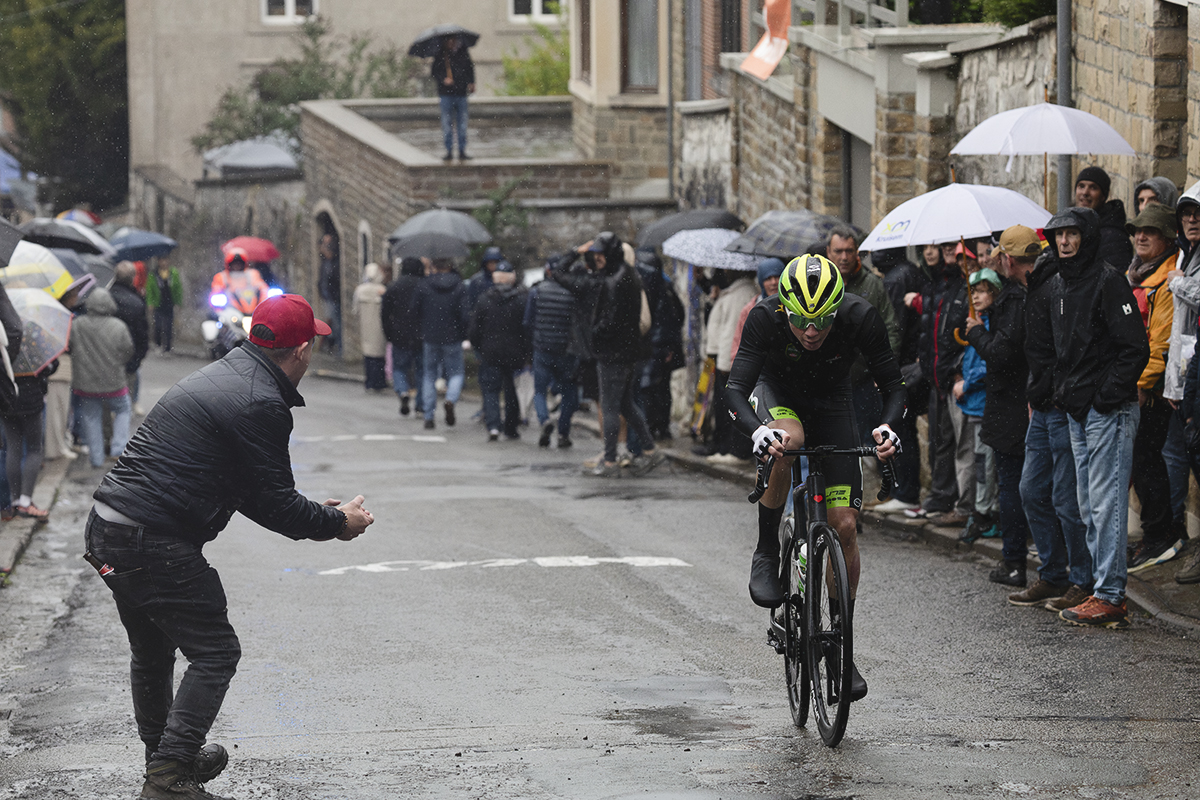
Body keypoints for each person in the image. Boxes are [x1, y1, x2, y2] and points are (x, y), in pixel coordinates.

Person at [85, 293, 374, 800]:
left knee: (152, 649)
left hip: (111, 528)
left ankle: (167, 755)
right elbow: (278, 507)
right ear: (303, 350)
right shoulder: (261, 400)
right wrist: (337, 523)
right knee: (216, 651)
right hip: (151, 539)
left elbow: (254, 494)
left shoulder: (228, 373)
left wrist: (323, 515)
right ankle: (170, 774)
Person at [726, 254, 902, 701]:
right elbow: (734, 388)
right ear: (785, 308)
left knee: (844, 525)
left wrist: (888, 428)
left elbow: (894, 386)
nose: (811, 331)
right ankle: (768, 549)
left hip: (833, 400)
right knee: (789, 439)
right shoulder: (765, 317)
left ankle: (843, 648)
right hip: (778, 394)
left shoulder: (860, 316)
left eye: (822, 320)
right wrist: (758, 431)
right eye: (802, 320)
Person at [1047, 207, 1149, 629]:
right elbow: (1067, 351)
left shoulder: (1109, 281)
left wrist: (1104, 398)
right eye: (1059, 236)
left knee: (1107, 505)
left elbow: (1134, 349)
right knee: (1089, 505)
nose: (1065, 242)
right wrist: (1065, 393)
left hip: (1107, 411)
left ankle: (1110, 595)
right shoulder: (1059, 283)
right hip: (1078, 410)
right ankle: (1100, 588)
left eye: (1072, 234)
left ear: (1086, 237)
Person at [549, 233, 665, 477]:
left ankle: (611, 460)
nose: (597, 257)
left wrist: (595, 334)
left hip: (612, 353)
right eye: (595, 253)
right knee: (625, 404)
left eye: (601, 253)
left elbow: (559, 274)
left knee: (611, 406)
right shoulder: (627, 275)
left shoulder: (610, 281)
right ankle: (650, 450)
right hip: (627, 352)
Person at [1123, 203, 1185, 570]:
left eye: (1150, 232)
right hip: (1137, 382)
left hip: (1154, 388)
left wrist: (1143, 384)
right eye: (1137, 231)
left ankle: (1162, 535)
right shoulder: (1136, 274)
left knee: (1149, 460)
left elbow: (1161, 339)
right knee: (1143, 460)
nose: (1140, 237)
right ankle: (1154, 533)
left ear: (1166, 238)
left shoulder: (1164, 279)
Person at [965, 265, 1034, 586]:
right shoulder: (1009, 307)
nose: (977, 296)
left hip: (1011, 411)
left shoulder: (1013, 305)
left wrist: (977, 331)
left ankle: (1015, 561)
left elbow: (1000, 355)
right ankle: (1017, 559)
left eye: (982, 290)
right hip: (1010, 410)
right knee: (1015, 485)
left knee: (1012, 486)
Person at [905, 242, 972, 524]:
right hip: (936, 373)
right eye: (932, 247)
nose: (937, 252)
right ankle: (938, 495)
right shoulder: (934, 281)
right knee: (938, 441)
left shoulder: (960, 284)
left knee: (956, 444)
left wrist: (953, 369)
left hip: (951, 374)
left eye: (945, 246)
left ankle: (949, 499)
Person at [825, 227, 901, 448]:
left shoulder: (872, 285)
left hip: (863, 378)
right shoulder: (821, 281)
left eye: (849, 251)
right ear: (828, 252)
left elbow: (891, 328)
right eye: (838, 251)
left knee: (871, 439)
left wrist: (884, 368)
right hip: (828, 378)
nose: (844, 257)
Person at [872, 246, 930, 513]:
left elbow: (894, 326)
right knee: (901, 429)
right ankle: (901, 490)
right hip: (911, 365)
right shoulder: (910, 273)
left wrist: (886, 369)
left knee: (898, 429)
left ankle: (903, 491)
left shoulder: (896, 279)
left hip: (902, 369)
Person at [954, 269, 1000, 549]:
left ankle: (985, 512)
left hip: (983, 404)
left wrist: (968, 383)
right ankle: (982, 508)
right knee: (980, 462)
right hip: (973, 405)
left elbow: (986, 365)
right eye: (974, 292)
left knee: (986, 463)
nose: (977, 297)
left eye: (982, 291)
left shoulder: (990, 325)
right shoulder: (977, 323)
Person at [70, 288, 135, 469]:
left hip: (86, 383)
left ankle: (96, 458)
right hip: (114, 381)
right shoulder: (119, 326)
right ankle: (118, 448)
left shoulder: (78, 324)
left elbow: (71, 347)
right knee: (123, 409)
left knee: (91, 418)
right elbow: (128, 350)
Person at [469, 261, 530, 440]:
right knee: (511, 389)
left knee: (490, 389)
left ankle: (493, 425)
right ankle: (511, 426)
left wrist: (477, 346)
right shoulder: (521, 299)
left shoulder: (485, 299)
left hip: (490, 350)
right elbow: (526, 327)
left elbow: (475, 328)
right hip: (514, 350)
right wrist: (526, 349)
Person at [525, 255, 581, 449]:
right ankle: (563, 433)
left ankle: (544, 421)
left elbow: (528, 322)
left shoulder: (537, 291)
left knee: (539, 390)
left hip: (542, 348)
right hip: (566, 350)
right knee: (569, 392)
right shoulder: (573, 293)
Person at [704, 267, 758, 463]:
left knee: (730, 407)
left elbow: (732, 331)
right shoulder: (734, 292)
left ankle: (733, 449)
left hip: (728, 360)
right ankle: (726, 446)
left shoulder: (740, 294)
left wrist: (726, 362)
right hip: (725, 357)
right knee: (725, 406)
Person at [634, 247, 685, 442]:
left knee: (652, 389)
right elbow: (677, 316)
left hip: (656, 348)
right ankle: (658, 426)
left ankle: (654, 427)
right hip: (659, 347)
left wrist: (665, 346)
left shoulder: (658, 290)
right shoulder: (665, 288)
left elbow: (669, 319)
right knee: (658, 388)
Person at [413, 258, 468, 429]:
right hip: (452, 336)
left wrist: (422, 327)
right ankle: (450, 399)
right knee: (456, 373)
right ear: (450, 266)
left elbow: (414, 310)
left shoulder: (424, 285)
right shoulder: (459, 286)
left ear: (434, 266)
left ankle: (428, 415)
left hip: (430, 336)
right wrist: (463, 333)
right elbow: (465, 314)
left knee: (429, 374)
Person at [1, 361, 54, 520]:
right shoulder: (32, 338)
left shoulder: (3, 338)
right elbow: (49, 366)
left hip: (7, 397)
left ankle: (15, 500)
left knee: (13, 448)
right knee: (34, 449)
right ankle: (25, 502)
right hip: (30, 397)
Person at [381, 257, 425, 416]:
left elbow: (385, 314)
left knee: (399, 368)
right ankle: (420, 406)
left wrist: (389, 333)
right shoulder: (423, 286)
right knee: (422, 371)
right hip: (421, 334)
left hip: (399, 334)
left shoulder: (394, 287)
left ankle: (402, 391)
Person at [110, 261, 151, 416]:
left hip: (107, 355)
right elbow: (142, 334)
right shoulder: (136, 302)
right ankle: (133, 404)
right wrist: (139, 356)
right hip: (130, 356)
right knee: (125, 400)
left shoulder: (108, 297)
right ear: (133, 278)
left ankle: (109, 429)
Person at [1074, 166, 1134, 269]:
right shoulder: (1072, 225)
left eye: (1093, 188)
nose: (1085, 193)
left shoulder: (1114, 238)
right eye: (1081, 186)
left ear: (1103, 196)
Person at [432, 34, 475, 161]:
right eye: (449, 40)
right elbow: (434, 72)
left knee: (462, 123)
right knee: (447, 122)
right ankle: (449, 150)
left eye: (453, 40)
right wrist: (443, 80)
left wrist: (471, 82)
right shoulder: (441, 54)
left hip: (461, 93)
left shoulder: (463, 53)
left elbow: (469, 69)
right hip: (446, 94)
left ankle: (462, 150)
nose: (451, 42)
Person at [352, 262, 390, 391]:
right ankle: (379, 381)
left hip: (365, 325)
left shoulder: (360, 290)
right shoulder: (382, 290)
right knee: (379, 354)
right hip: (379, 326)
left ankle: (369, 381)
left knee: (368, 353)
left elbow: (355, 310)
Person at [145, 255, 183, 353]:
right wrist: (150, 302)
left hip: (169, 302)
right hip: (158, 303)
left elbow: (178, 288)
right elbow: (150, 289)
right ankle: (158, 343)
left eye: (165, 260)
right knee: (158, 325)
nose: (164, 263)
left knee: (168, 326)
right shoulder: (154, 274)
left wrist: (178, 302)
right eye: (162, 260)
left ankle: (168, 347)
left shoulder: (173, 273)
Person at [318, 233, 342, 356]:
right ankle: (331, 344)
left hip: (333, 297)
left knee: (335, 322)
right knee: (331, 320)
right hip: (327, 295)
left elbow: (334, 280)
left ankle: (336, 346)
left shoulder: (335, 263)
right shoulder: (325, 262)